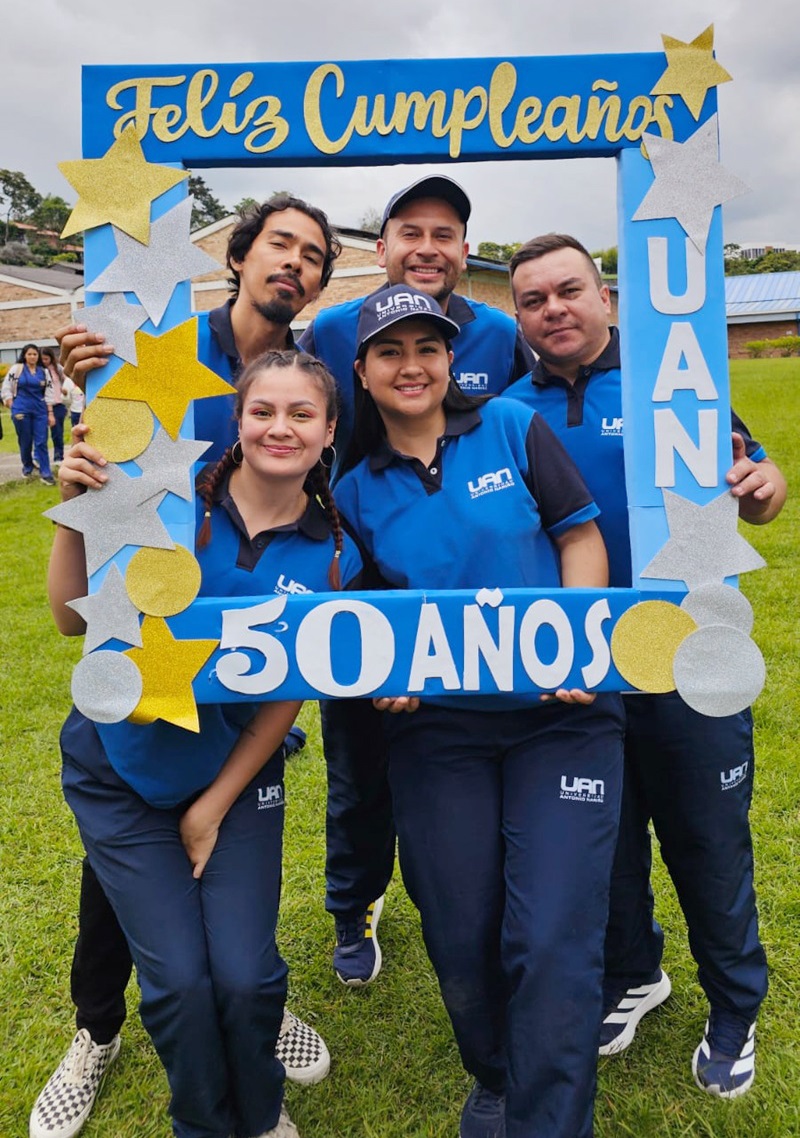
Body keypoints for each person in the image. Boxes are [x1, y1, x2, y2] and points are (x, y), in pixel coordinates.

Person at [32, 195, 342, 1138]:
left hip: (232, 735)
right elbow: (70, 605)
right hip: (131, 714)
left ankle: (247, 1007)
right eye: (278, 243)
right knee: (150, 934)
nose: (294, 262)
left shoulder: (325, 521)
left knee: (233, 966)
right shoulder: (156, 339)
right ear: (239, 255)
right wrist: (95, 394)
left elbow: (293, 678)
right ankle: (98, 1030)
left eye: (314, 254)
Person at [334, 284, 625, 1138]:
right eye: (390, 352)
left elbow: (579, 536)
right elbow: (360, 624)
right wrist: (383, 674)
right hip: (439, 736)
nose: (412, 365)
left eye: (427, 348)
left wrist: (577, 636)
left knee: (553, 936)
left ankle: (549, 1118)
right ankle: (495, 1074)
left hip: (560, 716)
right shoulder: (353, 490)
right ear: (363, 371)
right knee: (461, 931)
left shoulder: (509, 425)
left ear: (450, 359)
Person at [505, 233, 787, 1100]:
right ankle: (635, 976)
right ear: (518, 316)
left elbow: (752, 476)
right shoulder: (510, 412)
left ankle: (735, 1005)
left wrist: (766, 485)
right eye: (533, 300)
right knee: (606, 845)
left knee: (707, 845)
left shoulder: (678, 384)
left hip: (689, 659)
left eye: (569, 290)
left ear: (606, 296)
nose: (553, 309)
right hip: (582, 673)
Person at [298, 176, 536, 987]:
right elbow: (276, 410)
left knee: (479, 765)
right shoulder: (330, 332)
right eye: (410, 232)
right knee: (359, 761)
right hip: (360, 571)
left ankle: (506, 901)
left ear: (466, 251)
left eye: (445, 234)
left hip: (480, 598)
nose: (427, 248)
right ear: (381, 248)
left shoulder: (501, 336)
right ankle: (354, 905)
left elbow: (549, 406)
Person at [1, 344, 55, 484]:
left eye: (35, 354)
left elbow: (49, 393)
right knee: (25, 442)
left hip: (40, 410)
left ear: (38, 356)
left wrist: (50, 413)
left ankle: (46, 473)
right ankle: (27, 466)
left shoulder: (44, 372)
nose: (32, 357)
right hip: (21, 409)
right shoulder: (17, 369)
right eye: (29, 354)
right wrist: (11, 404)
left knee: (42, 441)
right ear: (24, 355)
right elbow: (6, 387)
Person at [41, 347, 68, 465]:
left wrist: (65, 388)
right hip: (43, 405)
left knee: (57, 433)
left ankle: (59, 456)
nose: (44, 361)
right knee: (41, 434)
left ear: (51, 358)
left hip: (58, 404)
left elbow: (67, 379)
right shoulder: (38, 370)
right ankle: (41, 458)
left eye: (46, 359)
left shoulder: (57, 369)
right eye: (42, 359)